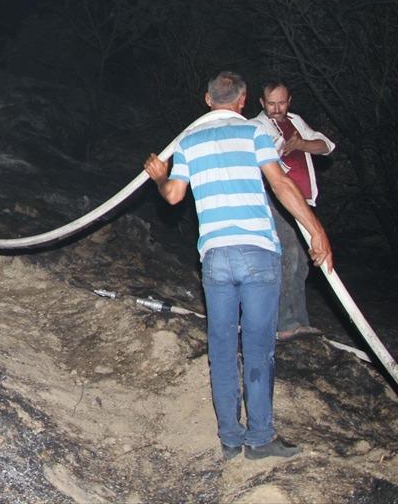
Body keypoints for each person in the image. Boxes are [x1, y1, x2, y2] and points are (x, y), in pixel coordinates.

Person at [143, 71, 333, 462]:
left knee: (223, 349)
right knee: (259, 349)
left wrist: (161, 178)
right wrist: (317, 232)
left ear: (208, 101)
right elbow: (281, 185)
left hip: (215, 256)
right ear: (244, 101)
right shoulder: (254, 134)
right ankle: (260, 440)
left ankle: (231, 440)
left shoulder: (190, 141)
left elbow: (174, 196)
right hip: (258, 251)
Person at [251, 80, 336, 341]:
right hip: (276, 199)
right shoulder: (256, 126)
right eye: (271, 103)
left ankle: (296, 321)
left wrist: (300, 144)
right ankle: (287, 324)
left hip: (304, 201)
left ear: (289, 101)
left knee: (301, 263)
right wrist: (286, 145)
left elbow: (325, 146)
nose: (277, 109)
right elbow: (269, 155)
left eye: (282, 103)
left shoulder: (296, 120)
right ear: (262, 103)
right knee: (289, 255)